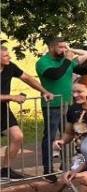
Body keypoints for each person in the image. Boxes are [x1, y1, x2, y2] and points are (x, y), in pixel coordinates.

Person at [37, 37, 87, 176]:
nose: (64, 50)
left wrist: (70, 50)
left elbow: (85, 54)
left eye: (65, 47)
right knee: (50, 136)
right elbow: (55, 75)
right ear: (51, 47)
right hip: (52, 105)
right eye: (61, 47)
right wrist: (67, 59)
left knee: (68, 135)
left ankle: (66, 167)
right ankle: (48, 170)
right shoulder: (43, 62)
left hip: (68, 104)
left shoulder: (65, 60)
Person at [1, 45, 52, 180]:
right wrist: (11, 97)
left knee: (17, 136)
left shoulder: (10, 67)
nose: (9, 57)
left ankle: (5, 170)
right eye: (6, 56)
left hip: (2, 110)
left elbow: (27, 78)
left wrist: (44, 91)